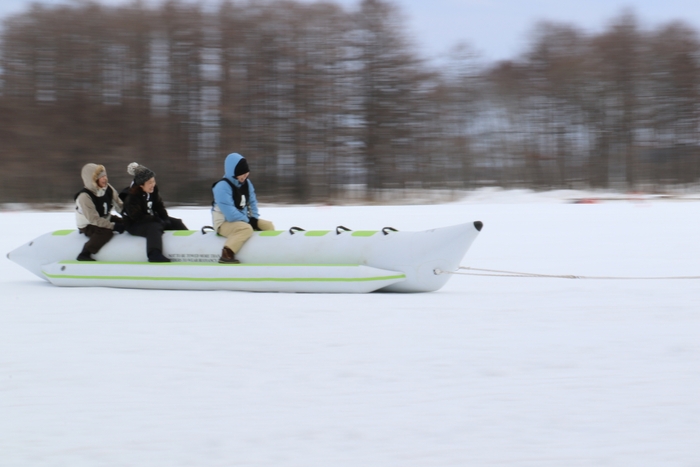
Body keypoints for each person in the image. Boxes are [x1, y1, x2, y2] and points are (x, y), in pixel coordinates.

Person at [212, 153, 274, 263]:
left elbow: (252, 202)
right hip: (224, 223)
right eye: (242, 173)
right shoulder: (221, 187)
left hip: (243, 219)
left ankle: (268, 253)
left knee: (268, 225)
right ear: (233, 172)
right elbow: (230, 215)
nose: (245, 176)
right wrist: (248, 221)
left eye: (246, 173)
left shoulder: (246, 183)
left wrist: (254, 218)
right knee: (245, 228)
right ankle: (227, 253)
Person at [121, 162, 187, 263]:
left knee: (176, 222)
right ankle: (154, 254)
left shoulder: (153, 190)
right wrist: (156, 219)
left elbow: (158, 205)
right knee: (154, 227)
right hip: (134, 223)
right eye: (149, 183)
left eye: (153, 181)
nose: (153, 185)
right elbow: (137, 216)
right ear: (141, 185)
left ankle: (190, 243)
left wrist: (165, 219)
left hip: (150, 218)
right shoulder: (132, 197)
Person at [74, 163, 125, 261]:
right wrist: (114, 226)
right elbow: (94, 219)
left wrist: (130, 216)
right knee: (106, 232)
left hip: (105, 218)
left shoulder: (108, 188)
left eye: (105, 176)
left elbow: (119, 204)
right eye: (101, 177)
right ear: (92, 179)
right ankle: (85, 253)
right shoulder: (85, 196)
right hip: (88, 224)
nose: (105, 179)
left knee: (125, 223)